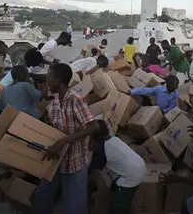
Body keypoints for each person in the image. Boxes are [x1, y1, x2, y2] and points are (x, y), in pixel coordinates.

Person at [32, 63, 100, 214]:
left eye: (49, 77)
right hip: (56, 160)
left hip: (74, 161)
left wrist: (63, 141)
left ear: (58, 80)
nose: (47, 81)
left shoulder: (75, 99)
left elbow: (93, 126)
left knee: (75, 206)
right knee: (42, 197)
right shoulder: (54, 105)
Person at [89, 120, 147, 214]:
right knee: (125, 201)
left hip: (130, 178)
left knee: (117, 207)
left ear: (92, 137)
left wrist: (99, 194)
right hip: (140, 169)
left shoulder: (100, 150)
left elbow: (96, 173)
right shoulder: (114, 139)